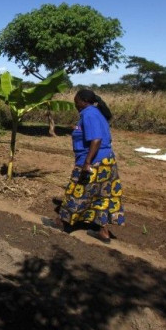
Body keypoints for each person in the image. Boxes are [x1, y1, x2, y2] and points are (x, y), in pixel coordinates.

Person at [55, 89, 125, 243]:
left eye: (76, 102)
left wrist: (87, 163)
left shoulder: (89, 114)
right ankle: (103, 231)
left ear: (83, 101)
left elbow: (96, 140)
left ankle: (62, 223)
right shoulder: (96, 112)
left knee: (76, 192)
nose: (75, 105)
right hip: (106, 161)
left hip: (93, 162)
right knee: (103, 196)